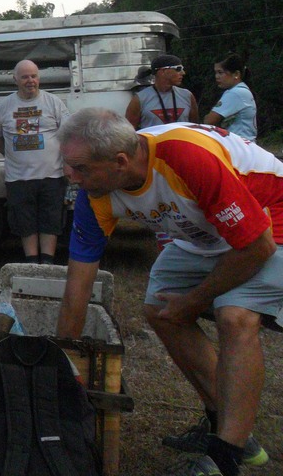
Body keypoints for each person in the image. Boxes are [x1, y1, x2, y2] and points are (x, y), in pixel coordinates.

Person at [56, 109, 279, 476]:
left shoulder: (185, 158)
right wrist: (62, 367)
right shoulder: (93, 194)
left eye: (80, 168)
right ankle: (225, 424)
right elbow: (78, 284)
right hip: (205, 231)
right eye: (67, 164)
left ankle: (226, 456)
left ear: (120, 162)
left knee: (235, 316)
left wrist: (193, 301)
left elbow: (258, 246)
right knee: (160, 309)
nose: (70, 175)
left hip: (269, 216)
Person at [0, 59, 69, 264]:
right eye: (25, 77)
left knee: (51, 221)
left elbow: (68, 134)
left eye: (34, 76)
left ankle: (47, 263)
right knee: (25, 222)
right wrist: (9, 152)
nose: (30, 80)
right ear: (15, 80)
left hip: (52, 175)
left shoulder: (53, 102)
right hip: (18, 178)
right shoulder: (5, 106)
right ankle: (31, 263)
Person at [126, 53, 199, 129]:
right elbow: (129, 130)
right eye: (178, 69)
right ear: (163, 71)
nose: (183, 73)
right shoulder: (140, 99)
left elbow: (195, 127)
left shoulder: (187, 95)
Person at [204, 53, 257, 141]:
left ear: (236, 74)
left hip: (239, 145)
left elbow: (209, 120)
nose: (216, 76)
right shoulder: (241, 90)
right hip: (245, 143)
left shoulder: (236, 93)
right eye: (216, 72)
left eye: (220, 72)